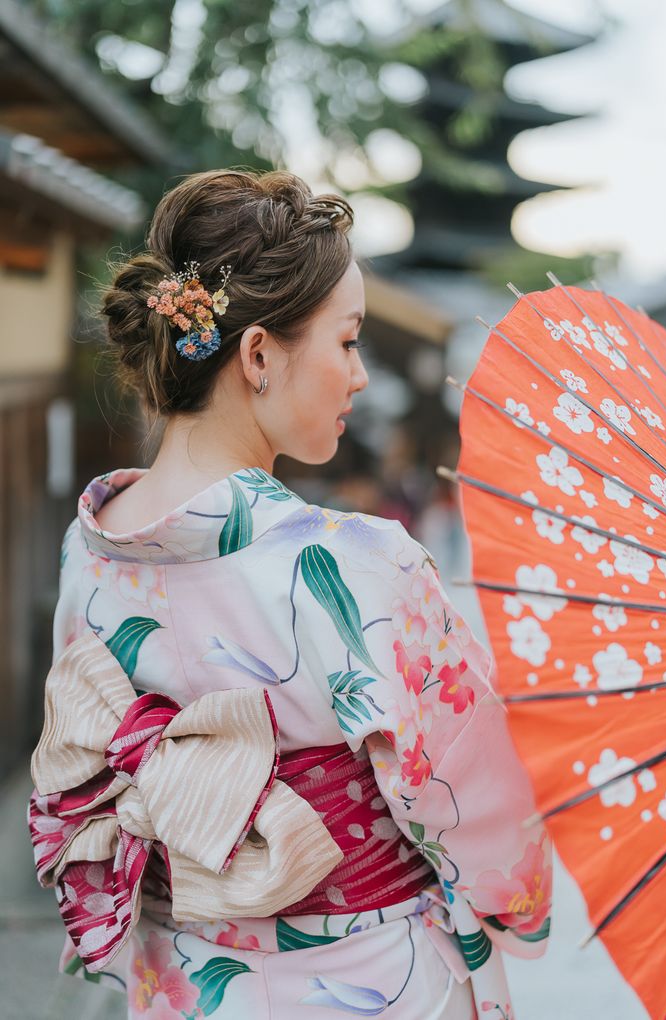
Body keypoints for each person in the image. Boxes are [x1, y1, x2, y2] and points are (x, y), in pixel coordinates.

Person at [28, 169, 551, 1019]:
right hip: (367, 976)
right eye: (347, 343)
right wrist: (516, 904)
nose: (360, 377)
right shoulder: (358, 564)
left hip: (182, 982)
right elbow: (474, 803)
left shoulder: (90, 546)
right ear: (260, 354)